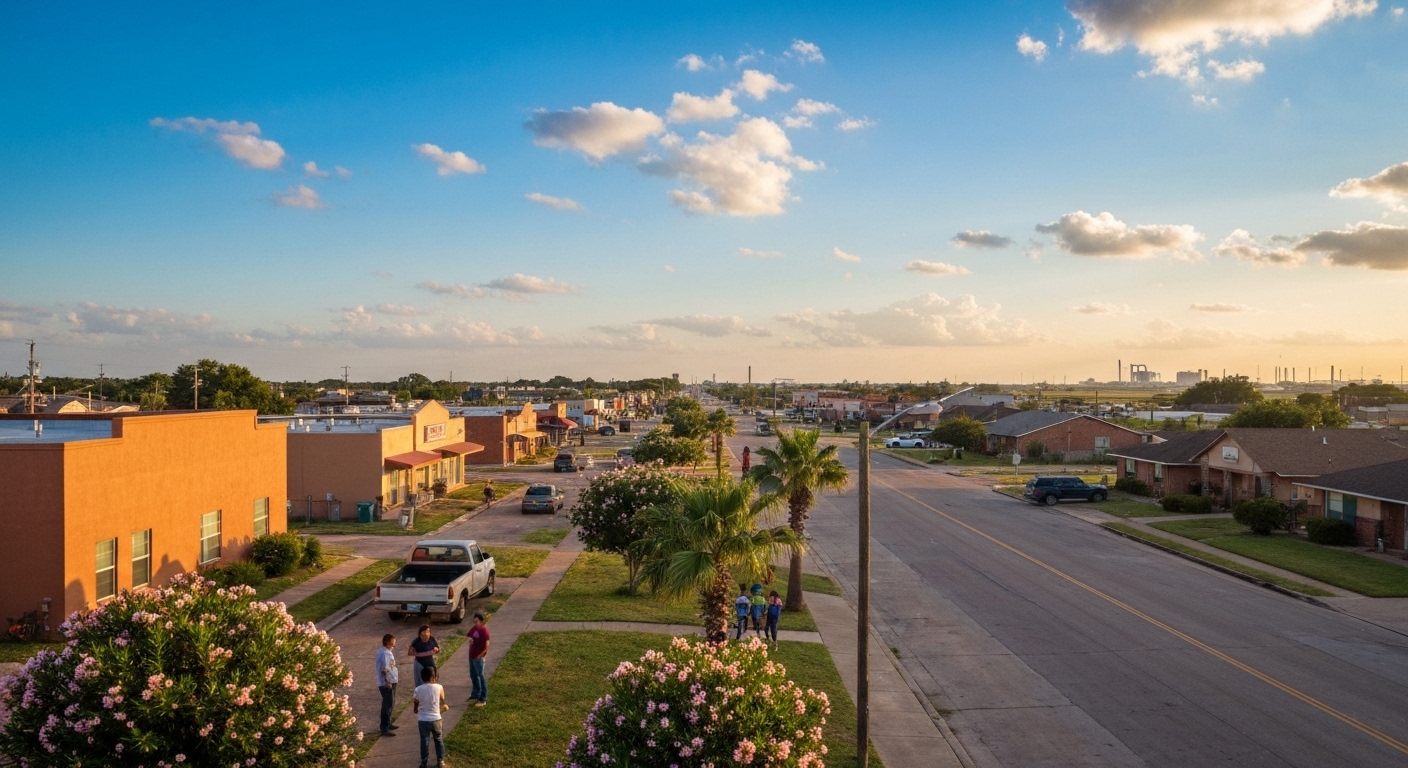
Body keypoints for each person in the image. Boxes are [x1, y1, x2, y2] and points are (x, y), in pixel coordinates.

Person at [412, 666, 448, 768]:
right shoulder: (439, 687)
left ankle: (424, 762)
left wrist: (415, 709)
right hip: (436, 718)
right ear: (433, 677)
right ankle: (440, 761)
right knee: (438, 739)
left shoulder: (418, 689)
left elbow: (416, 702)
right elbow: (442, 699)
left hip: (423, 720)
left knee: (424, 741)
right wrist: (444, 705)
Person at [376, 633, 400, 736]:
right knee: (387, 706)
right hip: (387, 683)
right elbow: (384, 670)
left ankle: (388, 723)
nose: (395, 643)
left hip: (389, 681)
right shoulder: (386, 653)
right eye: (393, 641)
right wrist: (387, 682)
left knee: (390, 704)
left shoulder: (382, 651)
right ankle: (384, 728)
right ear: (389, 642)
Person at [467, 612, 490, 706]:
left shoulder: (484, 631)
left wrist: (480, 656)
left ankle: (482, 698)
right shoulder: (476, 628)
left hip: (478, 657)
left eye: (477, 621)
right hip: (472, 656)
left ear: (481, 621)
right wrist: (471, 639)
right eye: (474, 621)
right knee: (473, 676)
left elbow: (487, 645)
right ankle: (475, 695)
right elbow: (470, 634)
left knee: (480, 676)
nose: (475, 623)